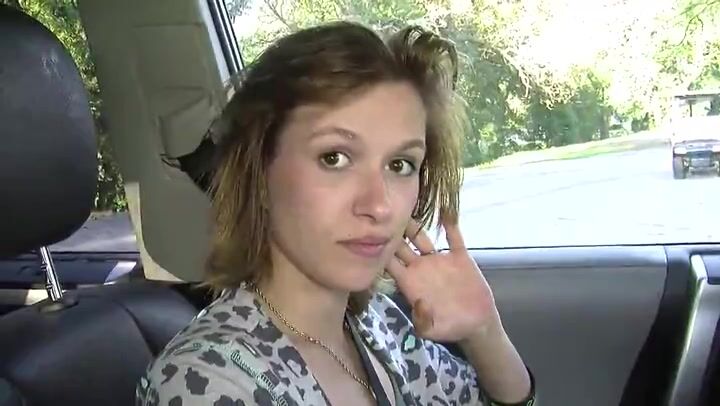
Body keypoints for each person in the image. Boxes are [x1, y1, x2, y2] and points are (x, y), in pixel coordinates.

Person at [136, 21, 536, 406]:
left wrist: (486, 333)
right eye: (335, 158)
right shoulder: (206, 380)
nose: (379, 205)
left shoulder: (379, 324)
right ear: (259, 171)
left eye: (400, 165)